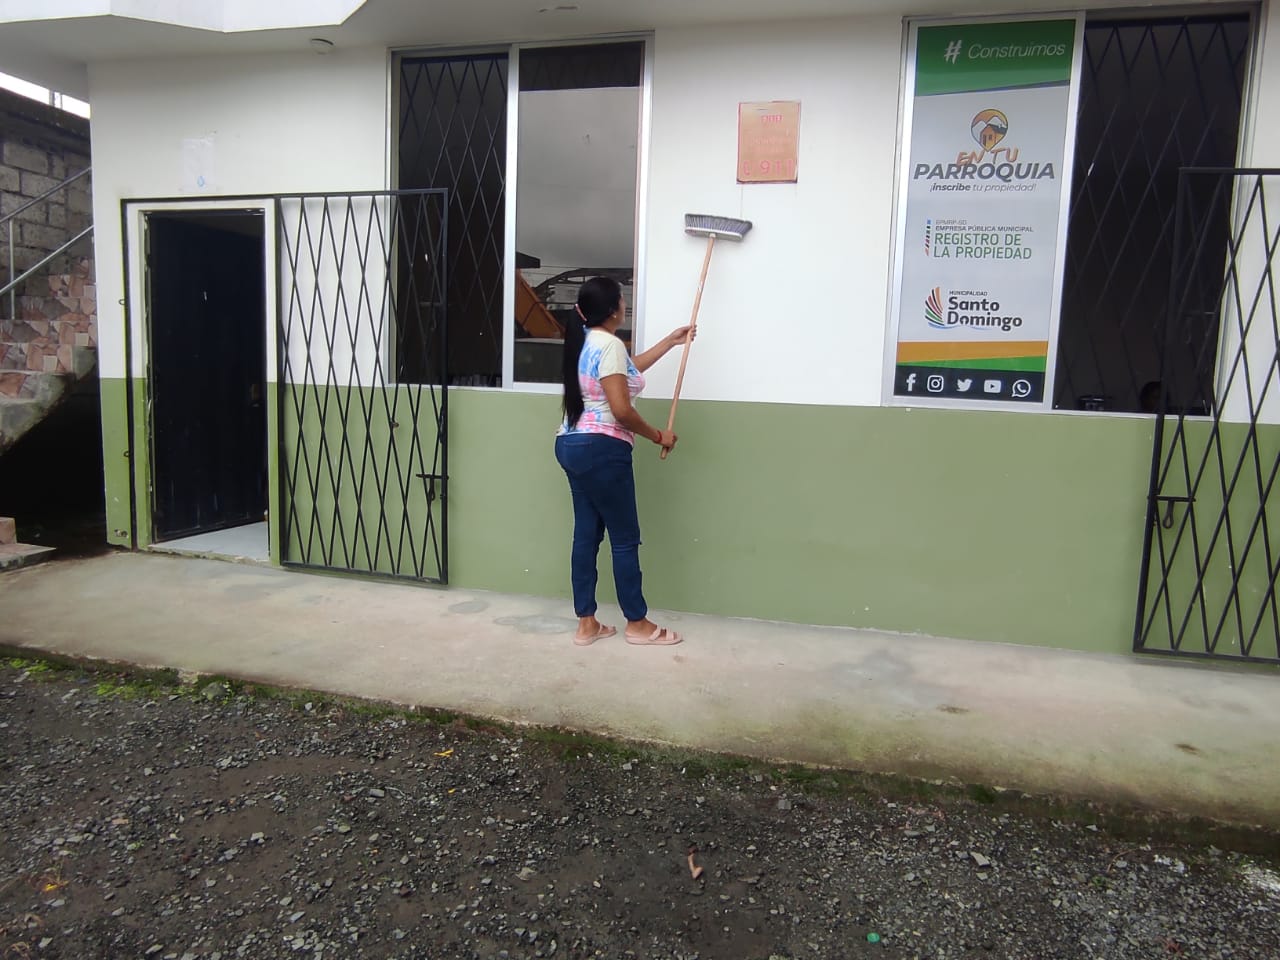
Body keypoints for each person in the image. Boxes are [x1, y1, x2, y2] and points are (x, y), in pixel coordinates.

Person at [554, 276, 693, 647]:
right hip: (602, 448)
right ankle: (637, 623)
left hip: (570, 444)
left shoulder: (585, 340)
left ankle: (587, 623)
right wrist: (658, 435)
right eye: (621, 299)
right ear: (614, 309)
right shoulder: (610, 344)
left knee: (586, 535)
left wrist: (670, 342)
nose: (624, 305)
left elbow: (626, 373)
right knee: (624, 538)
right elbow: (621, 409)